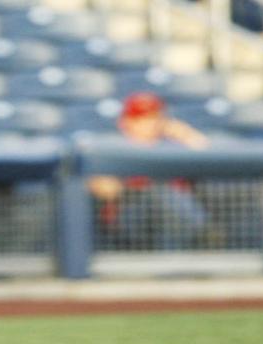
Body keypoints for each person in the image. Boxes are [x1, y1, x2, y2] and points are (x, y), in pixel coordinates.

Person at [89, 92, 211, 251]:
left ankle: (185, 250)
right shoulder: (114, 148)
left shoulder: (173, 146)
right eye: (140, 119)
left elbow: (209, 155)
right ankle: (203, 231)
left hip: (175, 224)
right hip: (131, 220)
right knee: (159, 193)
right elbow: (104, 189)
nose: (149, 124)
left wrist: (183, 133)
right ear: (125, 122)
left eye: (154, 118)